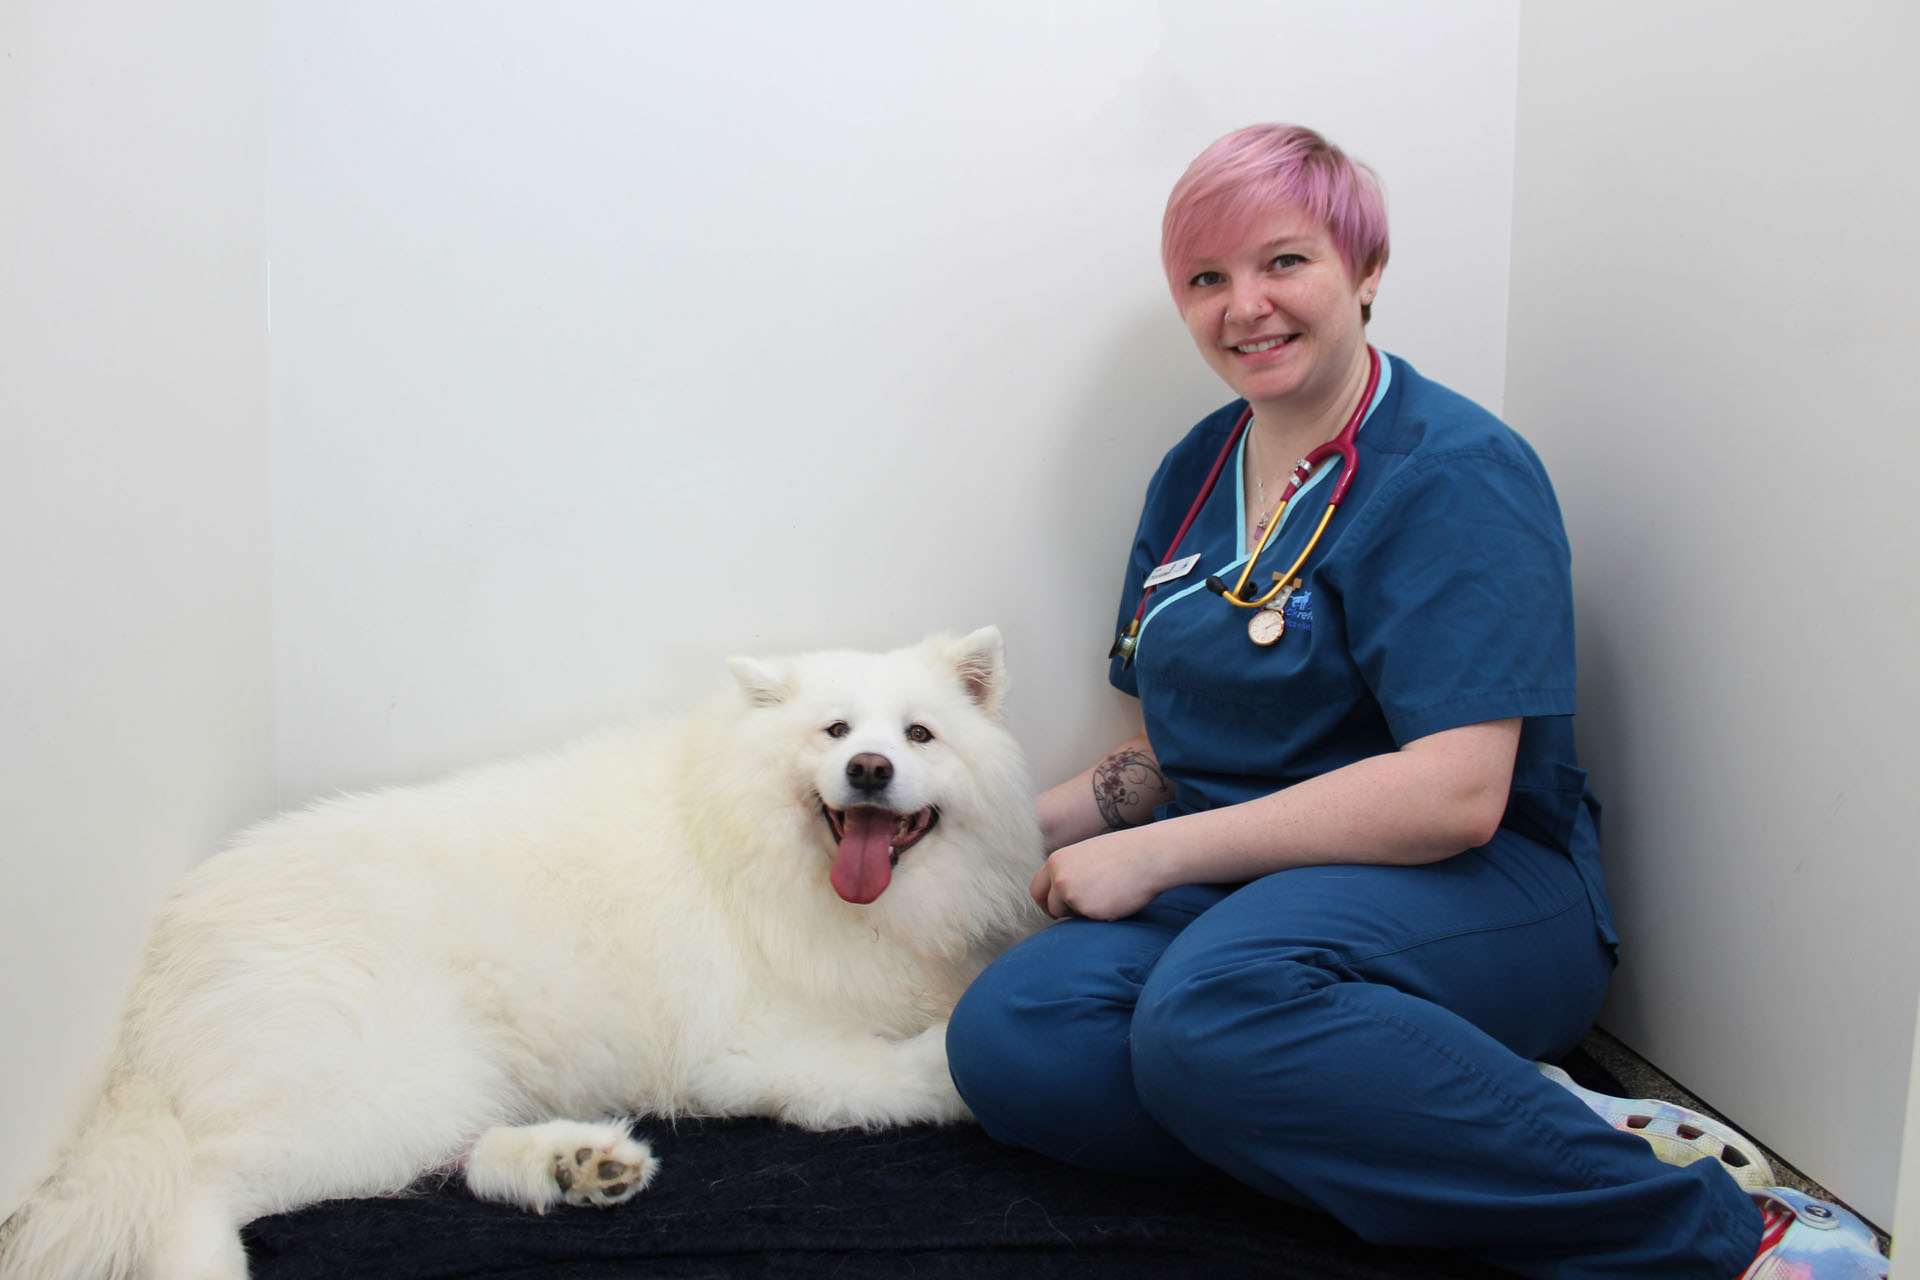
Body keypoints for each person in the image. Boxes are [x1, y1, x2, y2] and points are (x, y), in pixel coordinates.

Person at [944, 124, 1887, 1280]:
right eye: (1206, 278)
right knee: (1010, 1040)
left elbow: (1456, 793)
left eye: (1283, 262)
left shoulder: (1457, 470)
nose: (1245, 305)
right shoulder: (1194, 471)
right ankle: (1467, 1115)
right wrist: (980, 835)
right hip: (1238, 899)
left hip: (1478, 887)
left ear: (1367, 270)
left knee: (1211, 1015)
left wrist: (1157, 855)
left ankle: (1730, 1239)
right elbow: (1153, 751)